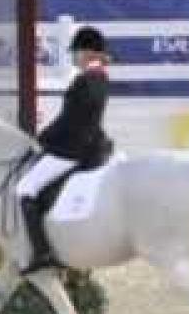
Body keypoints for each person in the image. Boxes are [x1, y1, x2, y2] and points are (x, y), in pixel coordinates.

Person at [14, 26, 114, 273]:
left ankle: (42, 252)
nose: (73, 57)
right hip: (86, 143)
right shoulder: (99, 77)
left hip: (73, 149)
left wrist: (41, 139)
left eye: (76, 52)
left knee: (25, 188)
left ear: (88, 53)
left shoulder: (87, 80)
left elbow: (70, 120)